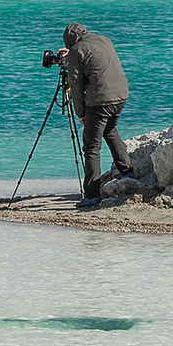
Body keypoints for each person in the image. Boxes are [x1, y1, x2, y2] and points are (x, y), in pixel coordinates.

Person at [55, 22, 132, 209]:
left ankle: (91, 196)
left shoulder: (76, 51)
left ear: (69, 41)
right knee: (110, 130)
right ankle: (128, 173)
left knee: (91, 147)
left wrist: (80, 113)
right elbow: (93, 59)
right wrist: (71, 55)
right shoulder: (104, 40)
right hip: (121, 95)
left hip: (100, 101)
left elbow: (77, 83)